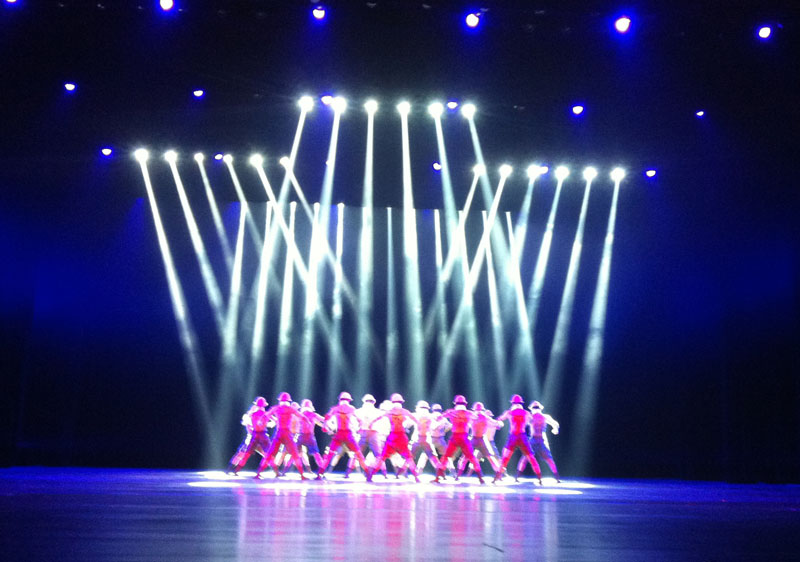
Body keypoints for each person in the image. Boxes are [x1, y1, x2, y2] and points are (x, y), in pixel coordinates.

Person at [316, 392, 372, 480]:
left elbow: (326, 419)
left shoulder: (335, 409)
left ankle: (320, 474)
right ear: (349, 400)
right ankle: (368, 475)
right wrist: (359, 428)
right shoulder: (351, 409)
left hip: (339, 434)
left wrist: (326, 427)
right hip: (348, 434)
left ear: (340, 400)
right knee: (359, 454)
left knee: (329, 455)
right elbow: (360, 420)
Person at [367, 393, 422, 482]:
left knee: (382, 457)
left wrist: (371, 424)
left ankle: (371, 476)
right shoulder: (404, 411)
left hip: (392, 437)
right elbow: (415, 419)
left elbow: (378, 418)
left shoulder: (390, 412)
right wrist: (419, 425)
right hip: (401, 436)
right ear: (401, 402)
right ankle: (416, 477)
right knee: (409, 458)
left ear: (392, 402)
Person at [434, 395, 485, 484]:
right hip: (463, 437)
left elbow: (439, 418)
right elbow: (477, 418)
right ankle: (480, 478)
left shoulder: (451, 412)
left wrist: (450, 415)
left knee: (446, 457)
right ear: (465, 404)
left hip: (455, 437)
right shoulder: (468, 413)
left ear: (455, 403)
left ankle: (437, 478)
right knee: (472, 458)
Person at [257, 392, 308, 479]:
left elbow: (265, 415)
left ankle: (258, 473)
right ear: (288, 401)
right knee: (295, 454)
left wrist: (260, 421)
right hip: (287, 433)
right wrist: (307, 422)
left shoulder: (276, 408)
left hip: (279, 433)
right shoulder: (290, 409)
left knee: (269, 454)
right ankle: (302, 475)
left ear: (280, 400)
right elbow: (302, 416)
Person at [494, 394, 542, 484]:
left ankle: (496, 478)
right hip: (523, 437)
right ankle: (540, 479)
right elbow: (533, 421)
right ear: (521, 403)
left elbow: (499, 419)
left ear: (512, 403)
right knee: (531, 458)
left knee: (505, 459)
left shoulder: (509, 412)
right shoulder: (526, 413)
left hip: (513, 436)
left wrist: (498, 424)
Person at [517, 401, 561, 482]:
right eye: (534, 407)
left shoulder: (545, 417)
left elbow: (555, 423)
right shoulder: (530, 417)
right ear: (532, 409)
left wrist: (555, 429)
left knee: (549, 459)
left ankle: (557, 478)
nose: (536, 409)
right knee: (524, 458)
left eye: (537, 407)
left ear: (540, 408)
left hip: (541, 440)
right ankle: (517, 477)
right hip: (532, 440)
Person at [226, 397, 272, 475]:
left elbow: (266, 424)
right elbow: (248, 427)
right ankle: (230, 469)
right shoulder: (249, 416)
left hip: (258, 438)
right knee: (241, 454)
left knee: (266, 454)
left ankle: (272, 469)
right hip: (251, 438)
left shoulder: (260, 415)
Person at [456, 402, 502, 478]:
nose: (478, 412)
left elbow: (496, 423)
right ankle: (458, 476)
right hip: (476, 439)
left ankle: (458, 476)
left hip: (480, 439)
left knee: (490, 457)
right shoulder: (478, 417)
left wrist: (498, 424)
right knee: (465, 458)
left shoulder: (479, 417)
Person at [346, 394, 387, 478]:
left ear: (364, 401)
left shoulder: (358, 411)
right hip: (373, 434)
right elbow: (383, 420)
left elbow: (352, 421)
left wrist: (356, 430)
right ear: (373, 402)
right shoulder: (378, 412)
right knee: (379, 456)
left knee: (356, 454)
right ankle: (384, 474)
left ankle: (347, 473)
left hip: (363, 433)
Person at [407, 400, 441, 474]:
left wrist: (406, 429)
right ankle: (441, 473)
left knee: (409, 456)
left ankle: (407, 473)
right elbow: (435, 426)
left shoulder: (415, 415)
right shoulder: (430, 416)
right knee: (433, 457)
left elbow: (406, 425)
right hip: (427, 439)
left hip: (416, 438)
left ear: (418, 408)